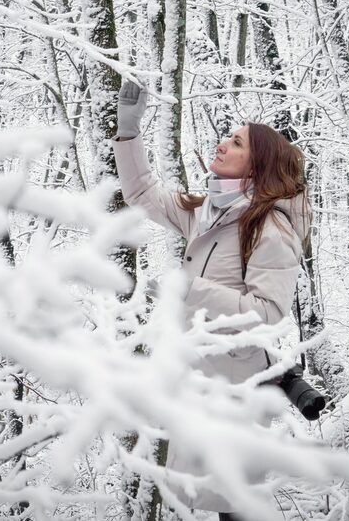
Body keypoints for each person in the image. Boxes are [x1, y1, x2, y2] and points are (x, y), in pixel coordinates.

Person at [112, 80, 311, 519]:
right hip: (199, 380)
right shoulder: (208, 212)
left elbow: (268, 315)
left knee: (234, 506)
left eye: (236, 142)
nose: (222, 144)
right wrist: (129, 132)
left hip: (235, 388)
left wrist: (191, 289)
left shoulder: (270, 231)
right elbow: (143, 195)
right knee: (207, 501)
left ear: (256, 169)